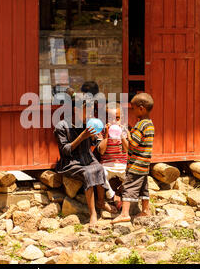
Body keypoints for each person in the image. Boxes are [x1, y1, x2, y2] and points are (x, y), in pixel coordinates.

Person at [54, 96, 117, 226]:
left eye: (91, 111)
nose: (90, 114)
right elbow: (65, 150)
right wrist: (82, 136)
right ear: (76, 109)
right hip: (71, 162)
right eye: (87, 110)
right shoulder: (62, 126)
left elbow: (95, 143)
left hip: (87, 158)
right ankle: (92, 213)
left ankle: (101, 202)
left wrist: (95, 135)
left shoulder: (88, 123)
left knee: (99, 168)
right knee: (88, 172)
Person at [112, 93, 155, 224]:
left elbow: (131, 146)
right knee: (143, 187)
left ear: (141, 108)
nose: (132, 111)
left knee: (128, 187)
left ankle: (125, 213)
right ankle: (146, 210)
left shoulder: (141, 125)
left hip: (135, 165)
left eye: (133, 108)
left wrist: (122, 134)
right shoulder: (149, 124)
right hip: (144, 165)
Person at [97, 102, 129, 209]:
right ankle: (112, 195)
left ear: (122, 119)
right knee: (100, 173)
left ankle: (121, 194)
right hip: (107, 164)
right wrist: (106, 134)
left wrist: (121, 134)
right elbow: (101, 151)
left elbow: (127, 149)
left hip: (122, 164)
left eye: (117, 118)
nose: (114, 121)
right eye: (111, 118)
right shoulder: (102, 131)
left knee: (132, 176)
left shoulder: (124, 130)